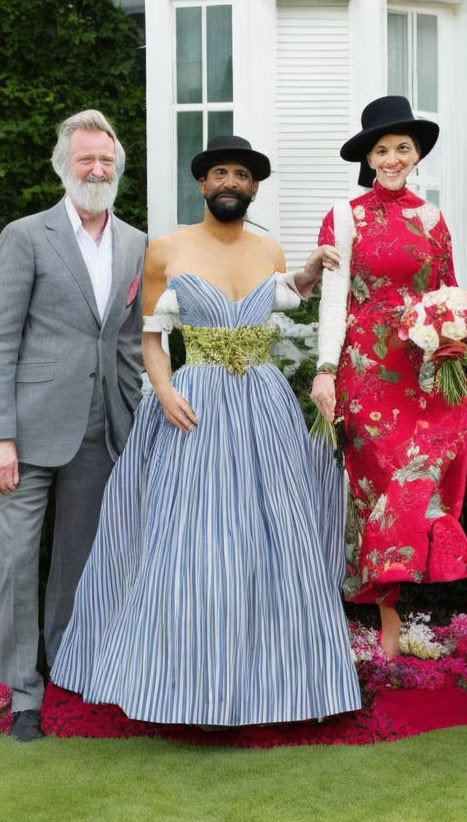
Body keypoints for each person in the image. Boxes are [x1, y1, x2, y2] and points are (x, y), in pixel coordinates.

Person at [50, 135, 362, 726]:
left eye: (241, 175)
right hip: (194, 404)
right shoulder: (166, 249)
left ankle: (283, 687)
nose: (229, 183)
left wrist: (309, 272)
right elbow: (149, 336)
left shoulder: (269, 249)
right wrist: (164, 392)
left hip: (264, 403)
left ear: (253, 188)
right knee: (190, 540)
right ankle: (179, 687)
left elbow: (279, 296)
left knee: (273, 538)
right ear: (202, 184)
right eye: (220, 173)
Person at [311, 96, 467, 660]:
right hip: (370, 375)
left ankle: (403, 612)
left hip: (428, 373)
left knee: (427, 475)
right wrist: (326, 371)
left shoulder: (432, 218)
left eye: (402, 147)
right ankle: (386, 626)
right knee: (381, 490)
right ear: (369, 158)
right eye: (382, 150)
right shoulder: (345, 216)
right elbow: (333, 302)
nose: (392, 157)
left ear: (417, 153)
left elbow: (449, 290)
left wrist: (455, 336)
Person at [0, 110, 147, 742]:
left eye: (106, 160)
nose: (97, 169)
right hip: (29, 431)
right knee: (16, 559)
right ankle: (22, 693)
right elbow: (4, 339)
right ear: (64, 165)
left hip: (101, 429)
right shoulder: (26, 236)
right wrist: (2, 436)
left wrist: (139, 422)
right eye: (85, 159)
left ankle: (63, 669)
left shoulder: (137, 243)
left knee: (79, 560)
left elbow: (132, 344)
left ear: (118, 167)